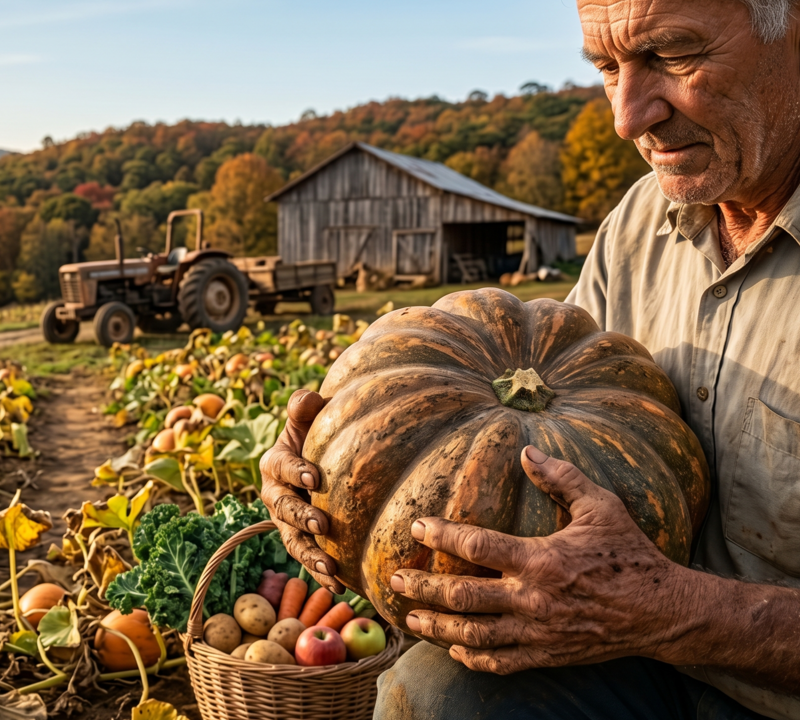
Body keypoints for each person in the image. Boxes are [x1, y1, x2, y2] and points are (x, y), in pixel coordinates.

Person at [260, 1, 800, 718]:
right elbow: (552, 404)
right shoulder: (640, 222)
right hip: (645, 664)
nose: (627, 118)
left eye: (672, 56)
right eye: (608, 67)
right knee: (438, 694)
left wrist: (670, 607)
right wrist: (339, 464)